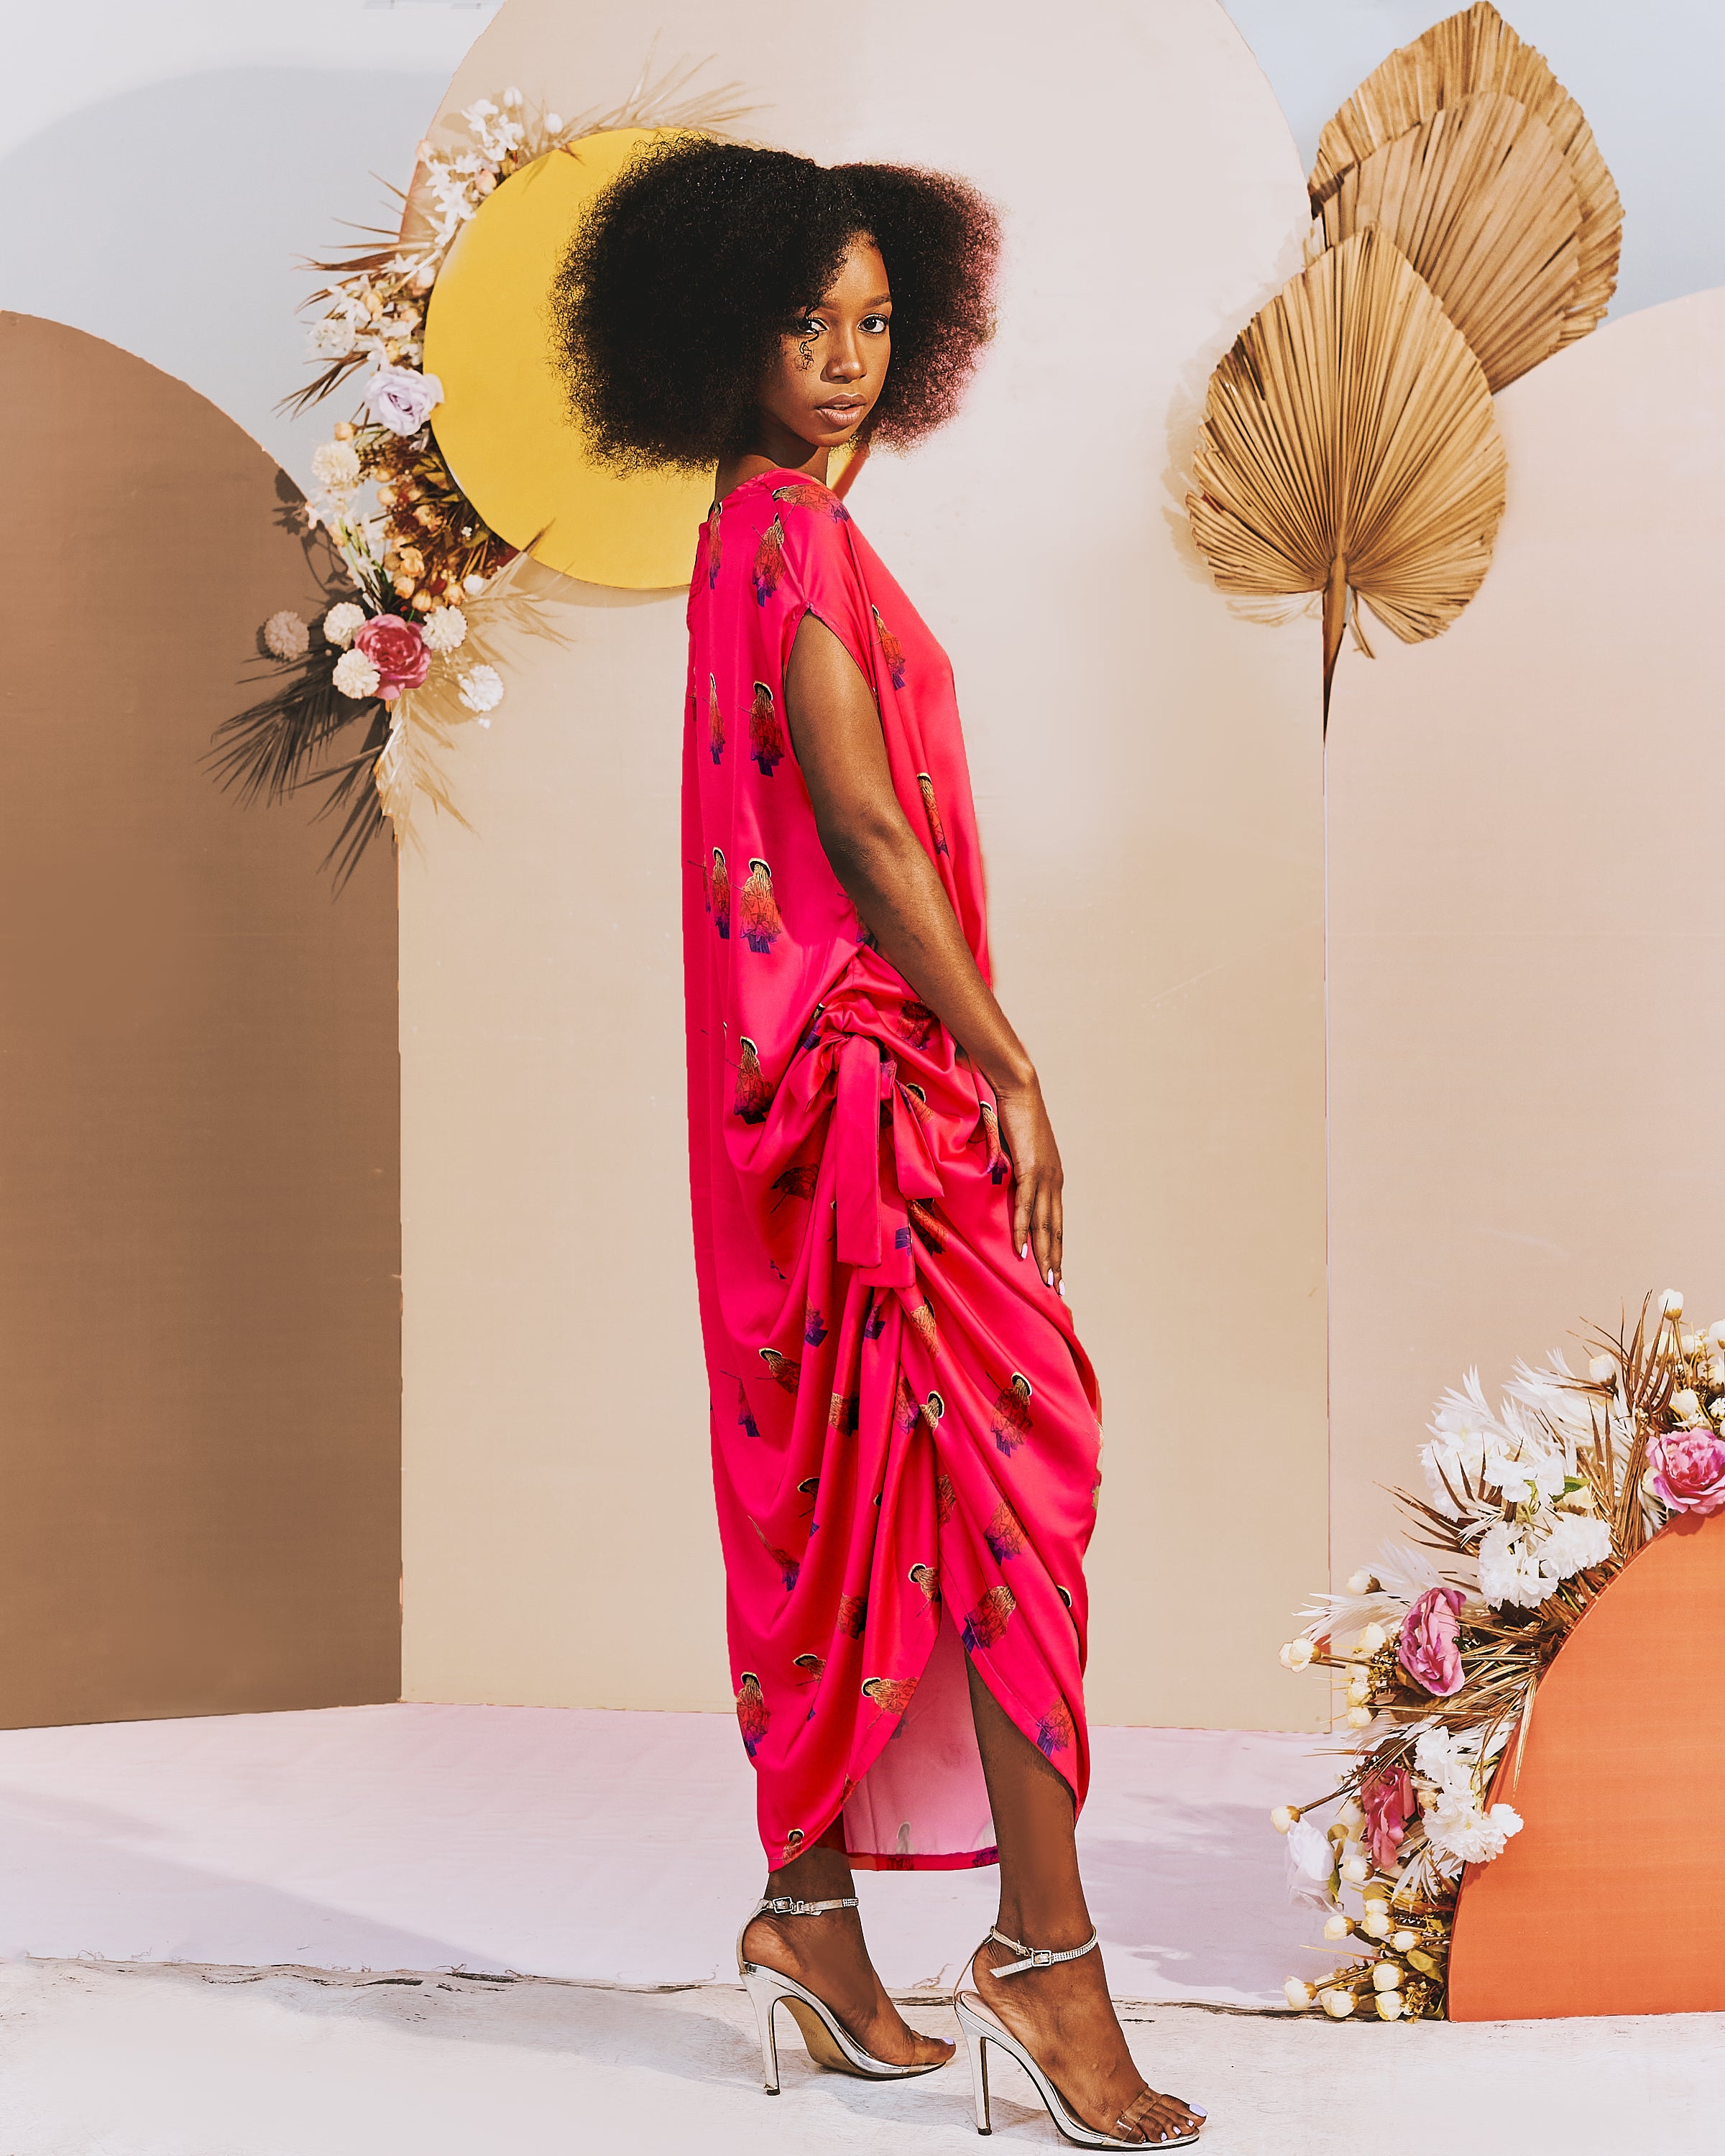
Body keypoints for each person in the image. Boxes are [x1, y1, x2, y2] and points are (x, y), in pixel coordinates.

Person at [554, 138, 1205, 2150]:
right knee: (1014, 1471)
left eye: (871, 323)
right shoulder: (791, 545)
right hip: (871, 1086)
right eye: (803, 321)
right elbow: (857, 825)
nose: (843, 359)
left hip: (823, 1077)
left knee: (854, 1482)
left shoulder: (757, 533)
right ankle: (1046, 1952)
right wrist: (1009, 1060)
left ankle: (812, 1916)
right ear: (718, 335)